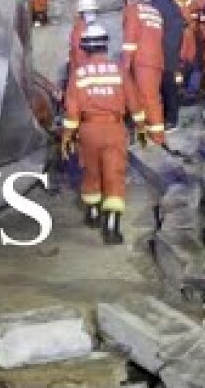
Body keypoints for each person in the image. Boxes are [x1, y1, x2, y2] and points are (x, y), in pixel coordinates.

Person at [61, 24, 148, 244]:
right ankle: (111, 226)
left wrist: (67, 136)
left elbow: (72, 110)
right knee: (114, 175)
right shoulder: (118, 70)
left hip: (88, 130)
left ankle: (92, 214)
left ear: (85, 47)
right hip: (114, 129)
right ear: (105, 45)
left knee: (91, 171)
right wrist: (141, 127)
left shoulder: (78, 74)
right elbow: (133, 100)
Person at [120, 0, 167, 144]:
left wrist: (125, 65)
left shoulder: (132, 11)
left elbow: (130, 39)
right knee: (147, 97)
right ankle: (149, 132)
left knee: (148, 98)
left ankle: (157, 137)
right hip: (156, 60)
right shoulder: (154, 11)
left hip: (142, 61)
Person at [145, 0, 185, 132]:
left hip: (165, 53)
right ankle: (170, 117)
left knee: (168, 87)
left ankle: (171, 120)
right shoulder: (169, 2)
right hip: (172, 52)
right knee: (170, 86)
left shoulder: (159, 5)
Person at [168, 0, 198, 98]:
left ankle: (187, 89)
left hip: (186, 33)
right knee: (181, 63)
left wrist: (193, 25)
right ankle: (181, 89)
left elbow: (194, 11)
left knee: (188, 62)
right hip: (180, 34)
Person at [68, 0, 100, 72]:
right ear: (82, 14)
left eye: (94, 12)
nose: (93, 15)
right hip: (84, 71)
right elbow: (80, 56)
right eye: (90, 12)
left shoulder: (85, 28)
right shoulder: (81, 31)